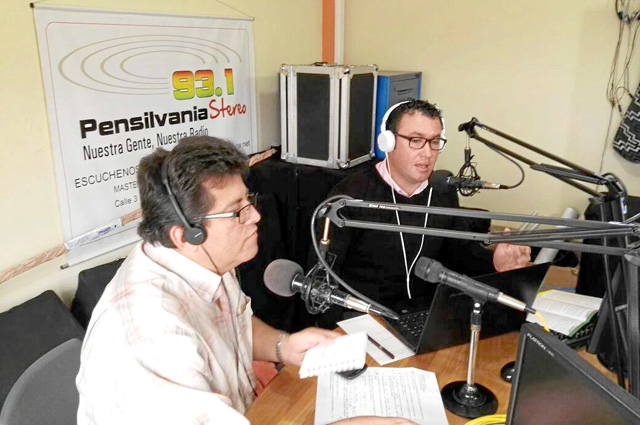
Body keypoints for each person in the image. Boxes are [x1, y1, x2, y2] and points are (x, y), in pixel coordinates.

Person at [76, 136, 416, 425]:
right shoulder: (153, 336)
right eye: (237, 210)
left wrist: (283, 345)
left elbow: (233, 324)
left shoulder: (202, 261)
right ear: (187, 235)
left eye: (247, 200)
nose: (255, 215)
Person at [317, 100, 530, 324]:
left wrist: (495, 262)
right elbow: (323, 279)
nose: (428, 153)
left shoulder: (441, 191)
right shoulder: (349, 197)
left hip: (425, 317)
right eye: (416, 141)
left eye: (435, 141)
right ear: (388, 142)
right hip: (364, 319)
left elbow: (460, 255)